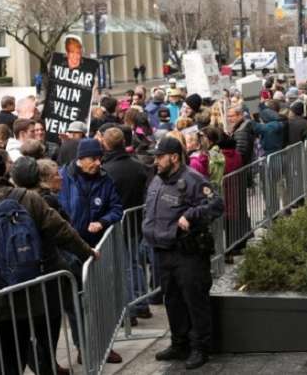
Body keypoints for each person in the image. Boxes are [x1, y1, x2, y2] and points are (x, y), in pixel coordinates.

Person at [0, 151, 98, 375]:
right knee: (18, 349)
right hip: (25, 289)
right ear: (4, 170)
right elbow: (62, 231)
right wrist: (87, 251)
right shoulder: (28, 198)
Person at [142, 137, 224, 370]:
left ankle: (200, 347)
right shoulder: (157, 179)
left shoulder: (193, 179)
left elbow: (216, 205)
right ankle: (179, 343)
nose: (156, 161)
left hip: (187, 252)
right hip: (162, 250)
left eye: (160, 156)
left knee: (194, 300)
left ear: (174, 157)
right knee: (173, 300)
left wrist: (191, 215)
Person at [58, 139, 124, 364]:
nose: (97, 163)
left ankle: (105, 345)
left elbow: (117, 208)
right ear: (81, 158)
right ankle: (83, 347)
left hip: (95, 252)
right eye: (93, 159)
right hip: (68, 252)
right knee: (75, 305)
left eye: (99, 158)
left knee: (100, 300)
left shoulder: (105, 180)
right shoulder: (63, 177)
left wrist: (103, 221)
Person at [101, 128, 152, 323]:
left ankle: (129, 309)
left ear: (106, 144)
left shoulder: (107, 170)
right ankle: (141, 304)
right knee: (134, 263)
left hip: (118, 223)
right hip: (135, 220)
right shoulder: (137, 166)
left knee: (124, 267)